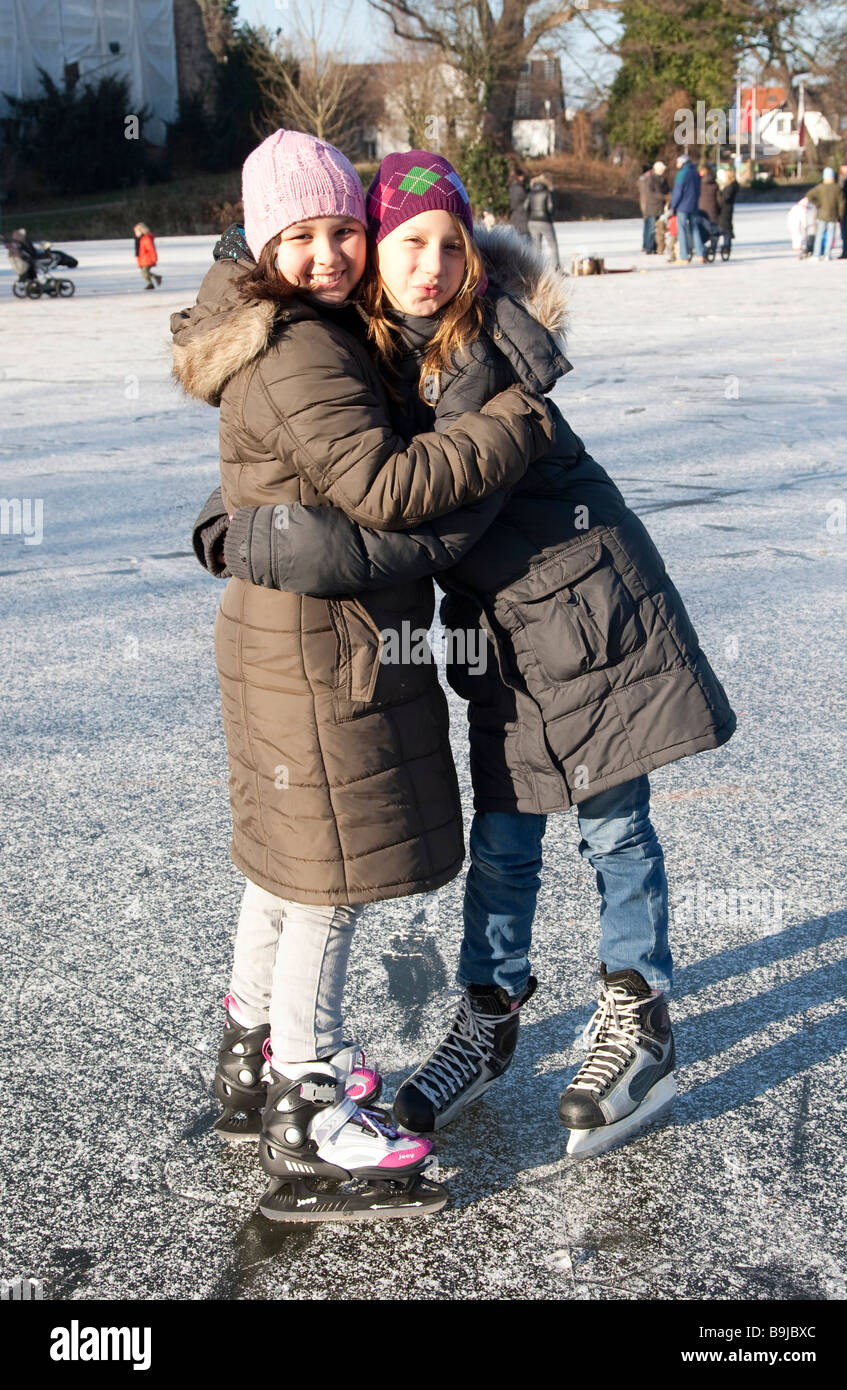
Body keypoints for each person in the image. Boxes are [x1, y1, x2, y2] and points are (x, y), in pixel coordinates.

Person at [194, 149, 736, 1163]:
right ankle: (488, 1017)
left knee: (612, 823)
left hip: (587, 613)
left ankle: (639, 1012)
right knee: (505, 838)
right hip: (499, 631)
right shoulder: (370, 344)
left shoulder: (485, 356)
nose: (431, 263)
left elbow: (429, 521)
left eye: (450, 244)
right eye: (407, 243)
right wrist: (241, 520)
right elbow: (326, 449)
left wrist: (262, 539)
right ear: (374, 252)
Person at [172, 131, 555, 1222]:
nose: (328, 254)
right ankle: (312, 1099)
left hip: (288, 639)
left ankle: (253, 1049)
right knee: (326, 884)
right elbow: (384, 488)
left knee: (283, 870)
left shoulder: (295, 331)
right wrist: (505, 429)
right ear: (260, 246)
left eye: (342, 230)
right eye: (298, 237)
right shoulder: (303, 348)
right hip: (318, 653)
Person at [524, 171, 561, 270]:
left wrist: (531, 214)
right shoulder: (547, 192)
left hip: (532, 222)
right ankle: (556, 268)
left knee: (536, 247)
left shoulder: (531, 193)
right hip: (545, 221)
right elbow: (551, 207)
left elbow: (525, 206)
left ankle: (537, 269)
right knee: (553, 245)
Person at [670, 153, 702, 262]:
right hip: (693, 205)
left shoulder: (681, 174)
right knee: (695, 229)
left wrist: (673, 206)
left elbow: (677, 192)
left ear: (683, 162)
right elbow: (698, 190)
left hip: (682, 207)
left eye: (678, 162)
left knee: (682, 230)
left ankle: (684, 256)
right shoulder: (695, 172)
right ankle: (700, 254)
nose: (677, 164)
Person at [807, 168, 844, 261]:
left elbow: (809, 195)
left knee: (819, 234)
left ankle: (816, 254)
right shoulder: (837, 188)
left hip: (822, 214)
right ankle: (827, 254)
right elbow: (841, 203)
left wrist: (817, 203)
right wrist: (841, 215)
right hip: (833, 215)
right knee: (830, 235)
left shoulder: (820, 187)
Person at [638, 160, 668, 254]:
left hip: (659, 207)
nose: (663, 171)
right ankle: (649, 247)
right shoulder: (650, 179)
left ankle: (654, 247)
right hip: (651, 207)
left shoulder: (662, 179)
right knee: (650, 229)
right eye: (662, 169)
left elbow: (667, 190)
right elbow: (650, 193)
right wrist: (663, 197)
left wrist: (669, 196)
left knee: (656, 229)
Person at [133, 223, 161, 289]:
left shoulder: (146, 239)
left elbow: (151, 249)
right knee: (144, 273)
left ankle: (151, 283)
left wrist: (154, 257)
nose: (136, 233)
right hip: (143, 259)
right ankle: (155, 279)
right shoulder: (139, 239)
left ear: (142, 231)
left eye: (137, 231)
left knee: (145, 272)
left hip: (148, 259)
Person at [717, 168, 738, 258]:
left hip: (726, 209)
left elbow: (726, 198)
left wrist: (720, 196)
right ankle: (726, 245)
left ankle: (726, 246)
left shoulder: (731, 186)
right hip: (725, 209)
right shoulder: (730, 185)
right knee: (725, 227)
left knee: (726, 227)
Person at [508, 166, 530, 241]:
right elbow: (526, 200)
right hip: (522, 217)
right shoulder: (519, 188)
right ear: (519, 176)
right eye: (522, 176)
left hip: (516, 216)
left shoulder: (512, 187)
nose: (523, 178)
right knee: (525, 241)